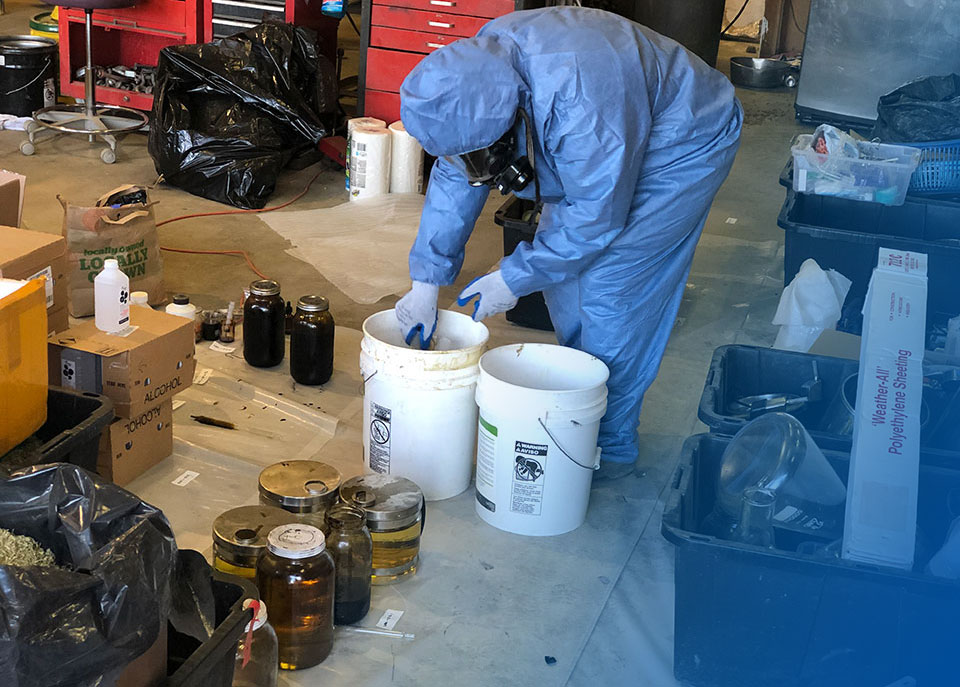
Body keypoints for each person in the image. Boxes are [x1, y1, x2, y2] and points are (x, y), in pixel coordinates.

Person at [395, 7, 742, 477]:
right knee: (563, 282)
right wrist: (426, 280)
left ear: (511, 114)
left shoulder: (581, 96)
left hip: (682, 138)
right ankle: (580, 407)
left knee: (613, 290)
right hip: (605, 132)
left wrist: (512, 278)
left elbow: (594, 218)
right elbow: (458, 174)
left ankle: (608, 446)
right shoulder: (474, 82)